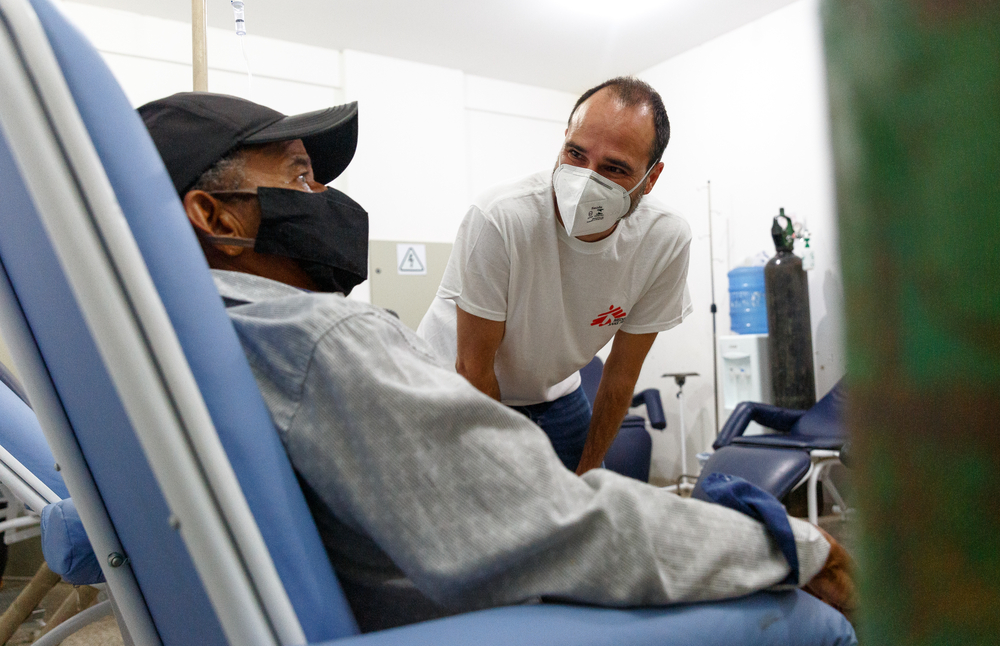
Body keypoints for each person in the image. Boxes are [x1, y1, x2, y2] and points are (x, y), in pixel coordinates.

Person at [139, 91, 854, 633]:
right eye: (301, 175)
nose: (323, 196)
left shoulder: (181, 343)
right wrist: (788, 541)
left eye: (614, 167)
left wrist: (582, 483)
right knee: (807, 613)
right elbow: (550, 527)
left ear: (649, 177)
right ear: (215, 216)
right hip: (456, 583)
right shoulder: (323, 337)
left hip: (502, 456)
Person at [417, 77, 689, 474]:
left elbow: (621, 374)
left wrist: (589, 474)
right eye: (576, 154)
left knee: (582, 509)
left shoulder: (663, 240)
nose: (584, 181)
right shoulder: (502, 218)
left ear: (651, 177)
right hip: (455, 382)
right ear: (563, 140)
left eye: (614, 168)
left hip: (556, 392)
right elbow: (474, 368)